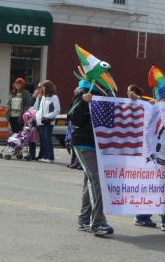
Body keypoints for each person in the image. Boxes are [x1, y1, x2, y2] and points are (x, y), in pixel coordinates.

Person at [128, 84, 165, 231]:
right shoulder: (154, 106)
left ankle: (143, 216)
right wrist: (138, 98)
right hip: (156, 154)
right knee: (160, 185)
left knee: (161, 185)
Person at [68, 79, 114, 236]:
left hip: (98, 144)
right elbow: (73, 117)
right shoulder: (84, 91)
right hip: (84, 144)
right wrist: (83, 101)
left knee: (90, 181)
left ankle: (84, 220)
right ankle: (98, 223)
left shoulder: (106, 92)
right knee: (97, 180)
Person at [35, 80, 60, 163]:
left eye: (43, 87)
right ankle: (45, 156)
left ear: (48, 88)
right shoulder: (43, 97)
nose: (42, 89)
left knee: (47, 139)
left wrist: (47, 117)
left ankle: (50, 157)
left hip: (48, 121)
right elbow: (40, 110)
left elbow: (57, 110)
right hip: (41, 121)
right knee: (43, 139)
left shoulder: (54, 97)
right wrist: (37, 118)